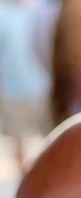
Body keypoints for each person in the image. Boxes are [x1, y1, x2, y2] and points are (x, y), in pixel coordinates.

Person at [0, 0, 52, 173]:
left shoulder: (41, 9)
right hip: (12, 89)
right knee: (19, 144)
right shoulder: (3, 12)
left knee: (50, 138)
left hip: (44, 86)